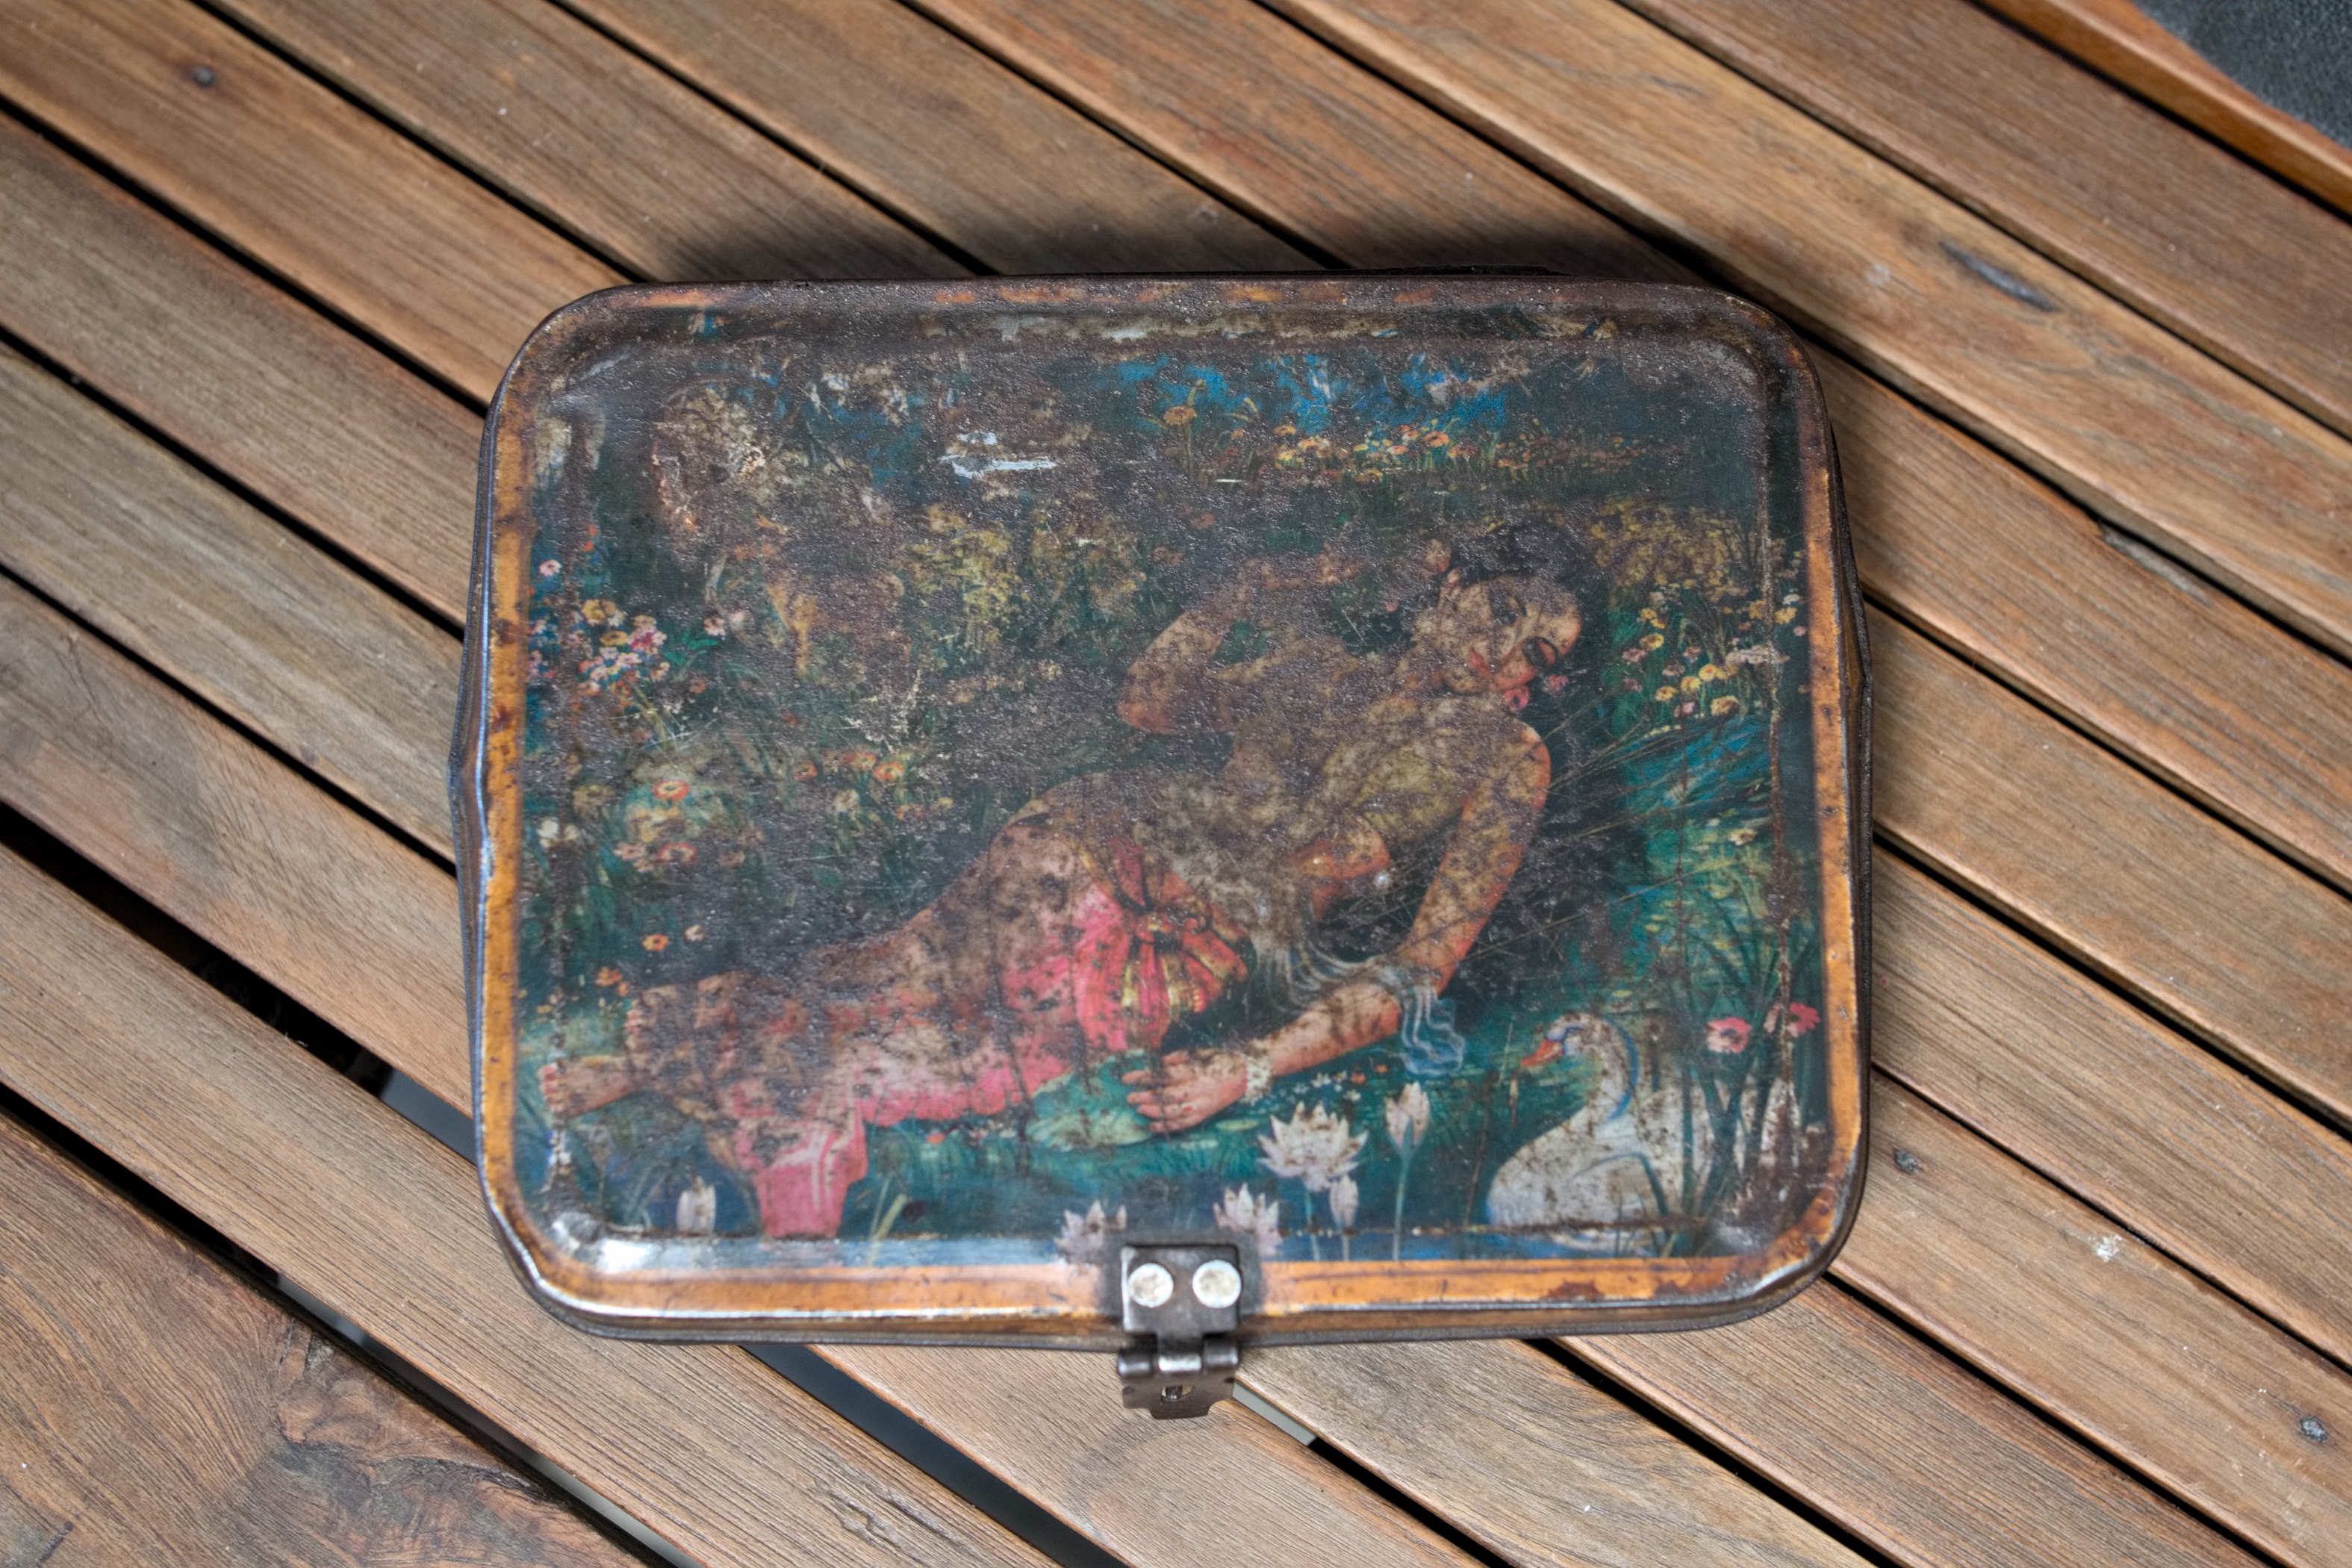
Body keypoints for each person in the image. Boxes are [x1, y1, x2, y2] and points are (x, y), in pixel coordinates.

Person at [541, 523, 1594, 1238]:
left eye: (1539, 651)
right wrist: (1248, 591)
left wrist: (1249, 1067)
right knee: (889, 977)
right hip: (1088, 838)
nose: (1507, 651)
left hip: (1185, 942)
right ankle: (671, 1078)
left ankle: (709, 1114)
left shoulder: (1508, 761)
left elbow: (1422, 967)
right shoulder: (1318, 670)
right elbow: (1151, 702)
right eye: (1503, 608)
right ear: (1451, 587)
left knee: (950, 1061)